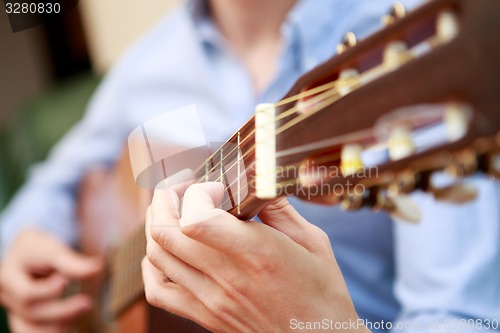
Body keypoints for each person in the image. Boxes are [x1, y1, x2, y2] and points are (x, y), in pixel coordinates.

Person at [1, 0, 499, 332]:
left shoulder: (404, 37)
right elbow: (48, 187)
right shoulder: (145, 67)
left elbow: (462, 317)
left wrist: (319, 324)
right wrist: (20, 249)